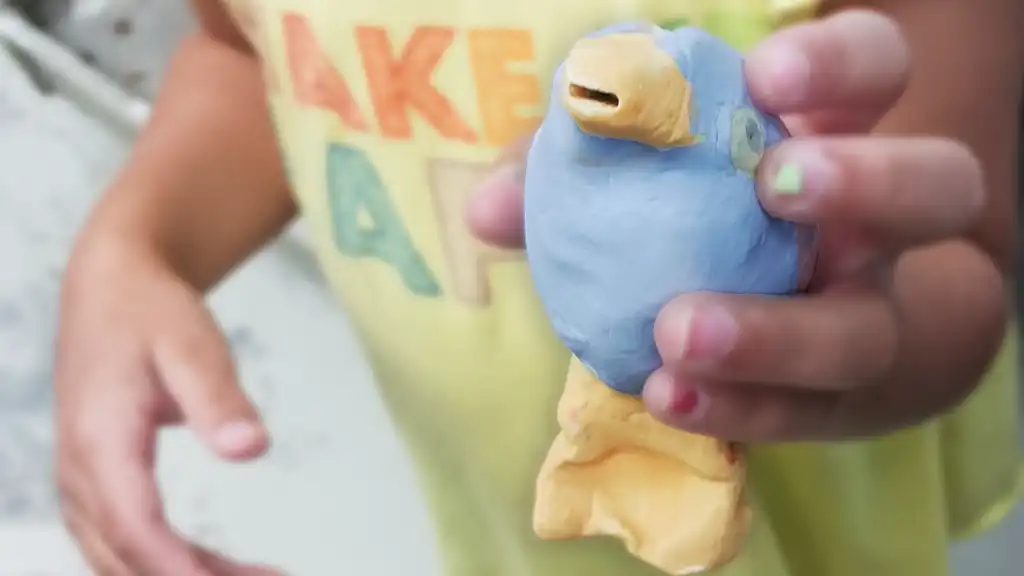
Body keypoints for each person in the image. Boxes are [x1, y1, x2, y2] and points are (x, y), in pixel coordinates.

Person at [53, 0, 1022, 575]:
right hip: (504, 524)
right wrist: (136, 239)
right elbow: (244, 49)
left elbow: (964, 245)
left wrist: (859, 328)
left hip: (817, 526)